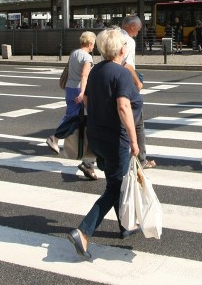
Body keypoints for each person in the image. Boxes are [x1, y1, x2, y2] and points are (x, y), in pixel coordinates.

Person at [67, 28, 141, 260]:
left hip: (96, 136)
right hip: (114, 137)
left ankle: (125, 226)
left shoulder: (97, 69)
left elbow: (87, 98)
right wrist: (134, 139)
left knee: (115, 181)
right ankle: (83, 231)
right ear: (121, 49)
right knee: (114, 188)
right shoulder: (121, 74)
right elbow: (123, 107)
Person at [46, 31, 98, 179]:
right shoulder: (87, 57)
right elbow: (84, 76)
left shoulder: (74, 53)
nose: (94, 46)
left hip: (69, 88)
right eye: (93, 43)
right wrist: (82, 92)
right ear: (90, 44)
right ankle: (55, 137)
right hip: (78, 89)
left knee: (72, 115)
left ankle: (85, 156)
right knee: (79, 118)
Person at [119, 16, 155, 168]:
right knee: (137, 123)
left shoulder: (111, 35)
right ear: (133, 26)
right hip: (126, 83)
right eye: (138, 30)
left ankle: (89, 160)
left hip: (110, 80)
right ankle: (141, 159)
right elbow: (127, 64)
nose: (138, 33)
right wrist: (138, 82)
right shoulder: (129, 41)